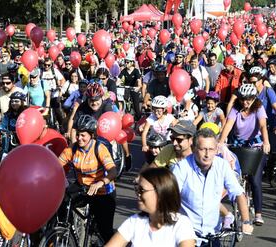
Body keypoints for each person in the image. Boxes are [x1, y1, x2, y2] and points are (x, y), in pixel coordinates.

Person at [172, 128, 253, 245]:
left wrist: (246, 221)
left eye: (211, 149)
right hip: (187, 236)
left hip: (213, 234)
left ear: (216, 150)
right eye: (203, 149)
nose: (207, 154)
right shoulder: (181, 168)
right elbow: (169, 198)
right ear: (194, 149)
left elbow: (238, 193)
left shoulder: (222, 165)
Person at [59, 115, 117, 243]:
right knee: (62, 200)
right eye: (78, 134)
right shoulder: (72, 149)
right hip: (83, 187)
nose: (79, 138)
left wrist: (100, 183)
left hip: (103, 191)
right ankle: (66, 229)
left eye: (83, 135)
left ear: (91, 135)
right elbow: (56, 167)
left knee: (105, 231)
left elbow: (113, 171)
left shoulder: (99, 148)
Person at [219, 83, 270, 225]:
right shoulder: (236, 108)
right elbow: (228, 125)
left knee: (255, 179)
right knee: (234, 176)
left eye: (248, 99)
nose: (245, 102)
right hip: (238, 144)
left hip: (256, 145)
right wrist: (221, 142)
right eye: (243, 99)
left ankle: (258, 214)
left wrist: (266, 142)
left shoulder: (258, 108)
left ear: (254, 98)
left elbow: (262, 125)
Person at [105, 168, 196, 247]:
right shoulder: (134, 221)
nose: (138, 194)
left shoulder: (182, 224)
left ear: (160, 193)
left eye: (142, 190)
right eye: (137, 189)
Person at [141, 95, 178, 163]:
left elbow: (177, 127)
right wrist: (144, 145)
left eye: (159, 111)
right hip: (154, 142)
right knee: (150, 161)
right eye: (154, 110)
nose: (156, 113)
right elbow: (144, 132)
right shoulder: (151, 118)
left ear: (164, 110)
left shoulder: (169, 118)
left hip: (166, 142)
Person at [119, 54, 142, 120]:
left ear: (132, 62)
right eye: (125, 62)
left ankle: (138, 119)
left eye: (128, 62)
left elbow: (138, 80)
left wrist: (138, 86)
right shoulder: (124, 70)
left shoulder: (136, 71)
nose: (126, 63)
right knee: (121, 101)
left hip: (134, 89)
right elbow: (119, 78)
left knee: (136, 105)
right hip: (126, 89)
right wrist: (116, 84)